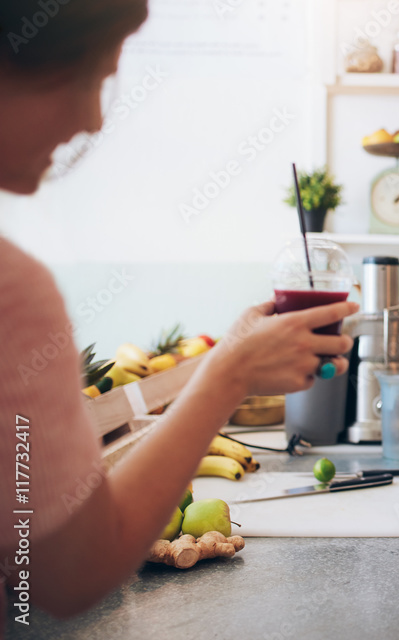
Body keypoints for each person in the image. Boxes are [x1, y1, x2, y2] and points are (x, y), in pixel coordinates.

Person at [0, 0, 357, 620]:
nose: (91, 116)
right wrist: (228, 375)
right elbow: (64, 574)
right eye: (88, 76)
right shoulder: (15, 293)